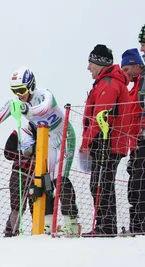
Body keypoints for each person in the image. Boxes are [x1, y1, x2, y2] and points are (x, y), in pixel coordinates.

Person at [0, 67, 80, 235]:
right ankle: (47, 224)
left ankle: (72, 222)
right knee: (46, 181)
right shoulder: (16, 103)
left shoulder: (44, 94)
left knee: (60, 178)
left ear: (31, 86)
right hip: (46, 140)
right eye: (15, 91)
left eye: (22, 90)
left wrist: (28, 110)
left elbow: (44, 108)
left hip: (64, 135)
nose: (19, 94)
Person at [80, 44, 131, 237]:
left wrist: (86, 142)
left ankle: (105, 227)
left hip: (107, 141)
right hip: (108, 141)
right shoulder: (106, 82)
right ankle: (104, 225)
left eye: (90, 63)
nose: (88, 68)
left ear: (100, 63)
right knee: (101, 182)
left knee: (100, 183)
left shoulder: (108, 83)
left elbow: (101, 115)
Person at [3, 122, 56, 236]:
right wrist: (25, 152)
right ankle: (11, 231)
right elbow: (7, 153)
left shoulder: (51, 135)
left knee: (42, 201)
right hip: (20, 172)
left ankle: (40, 230)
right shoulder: (19, 132)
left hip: (41, 173)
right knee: (17, 204)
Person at [121, 48, 145, 234]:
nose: (125, 74)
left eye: (127, 70)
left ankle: (140, 228)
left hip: (141, 142)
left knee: (140, 186)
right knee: (134, 187)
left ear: (137, 66)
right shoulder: (132, 88)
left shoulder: (141, 85)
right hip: (134, 145)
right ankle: (135, 227)